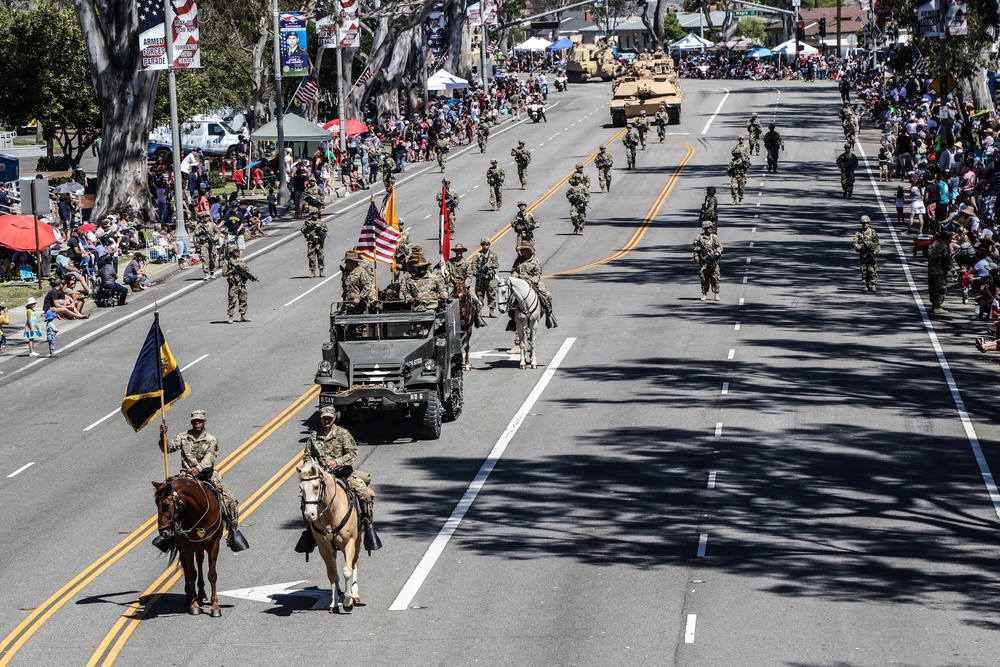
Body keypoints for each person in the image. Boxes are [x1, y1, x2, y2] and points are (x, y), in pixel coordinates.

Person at [160, 410, 244, 550]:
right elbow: (167, 448)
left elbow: (210, 458)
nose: (197, 423)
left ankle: (233, 531)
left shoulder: (211, 439)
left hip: (207, 475)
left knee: (231, 500)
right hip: (187, 476)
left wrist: (199, 468)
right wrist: (163, 435)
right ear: (191, 422)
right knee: (168, 499)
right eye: (194, 421)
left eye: (199, 421)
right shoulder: (183, 437)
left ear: (205, 422)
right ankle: (169, 533)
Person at [301, 405, 377, 545]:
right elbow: (307, 456)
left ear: (334, 418)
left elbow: (352, 453)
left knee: (364, 493)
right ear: (321, 419)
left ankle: (368, 524)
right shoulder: (314, 437)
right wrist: (310, 467)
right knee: (306, 498)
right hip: (323, 476)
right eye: (324, 418)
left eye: (329, 418)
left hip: (344, 474)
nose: (327, 421)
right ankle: (309, 531)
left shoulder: (343, 434)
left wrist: (337, 462)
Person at [511, 242, 556, 329]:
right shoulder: (518, 260)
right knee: (511, 299)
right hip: (520, 283)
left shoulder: (535, 261)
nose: (522, 251)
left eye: (525, 250)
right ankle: (512, 319)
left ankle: (548, 314)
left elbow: (537, 274)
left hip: (533, 282)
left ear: (529, 250)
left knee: (547, 296)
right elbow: (513, 271)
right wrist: (516, 277)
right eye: (522, 250)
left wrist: (531, 280)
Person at [693, 220, 723, 301]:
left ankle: (716, 293)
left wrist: (716, 255)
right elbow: (696, 246)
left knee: (715, 277)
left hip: (712, 260)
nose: (710, 229)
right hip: (704, 262)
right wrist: (699, 254)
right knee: (704, 277)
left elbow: (719, 247)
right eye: (708, 227)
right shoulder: (700, 237)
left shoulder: (714, 237)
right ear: (705, 229)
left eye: (711, 227)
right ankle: (704, 293)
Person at [927, 230, 954, 314]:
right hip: (939, 271)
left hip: (931, 270)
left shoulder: (933, 243)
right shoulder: (943, 246)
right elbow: (947, 259)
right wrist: (953, 270)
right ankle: (937, 307)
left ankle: (933, 305)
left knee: (932, 288)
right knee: (940, 288)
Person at [341, 250, 375, 314]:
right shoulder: (346, 272)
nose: (345, 262)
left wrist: (359, 298)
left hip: (360, 306)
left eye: (347, 261)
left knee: (361, 323)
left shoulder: (361, 271)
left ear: (353, 262)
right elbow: (345, 288)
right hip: (348, 305)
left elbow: (368, 286)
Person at [223, 245, 251, 323]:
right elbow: (224, 273)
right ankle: (231, 316)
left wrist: (244, 273)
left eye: (237, 251)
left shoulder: (241, 261)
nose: (237, 252)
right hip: (233, 285)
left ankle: (243, 315)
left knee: (243, 299)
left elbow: (246, 269)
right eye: (236, 251)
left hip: (241, 283)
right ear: (232, 252)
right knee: (232, 300)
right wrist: (232, 271)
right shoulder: (227, 262)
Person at [473, 237, 500, 317]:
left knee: (491, 294)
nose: (485, 246)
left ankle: (491, 311)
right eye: (483, 244)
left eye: (487, 244)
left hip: (490, 278)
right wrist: (476, 272)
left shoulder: (493, 254)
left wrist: (488, 266)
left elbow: (496, 264)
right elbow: (473, 265)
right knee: (479, 295)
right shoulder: (478, 255)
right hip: (480, 279)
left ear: (489, 245)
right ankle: (479, 310)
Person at [853, 215, 881, 292]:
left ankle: (873, 285)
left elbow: (877, 244)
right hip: (863, 255)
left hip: (871, 254)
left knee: (872, 269)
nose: (865, 224)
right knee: (864, 270)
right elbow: (855, 243)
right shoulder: (858, 234)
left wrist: (875, 252)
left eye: (866, 223)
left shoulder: (873, 232)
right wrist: (861, 248)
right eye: (863, 223)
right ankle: (866, 285)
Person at [300, 210, 327, 278]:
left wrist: (320, 228)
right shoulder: (307, 222)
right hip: (311, 242)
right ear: (311, 215)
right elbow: (302, 230)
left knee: (321, 256)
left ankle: (321, 271)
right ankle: (313, 272)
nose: (316, 214)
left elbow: (326, 229)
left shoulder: (320, 222)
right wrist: (307, 228)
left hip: (319, 242)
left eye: (316, 213)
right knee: (311, 257)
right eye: (314, 213)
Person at [194, 213, 220, 280]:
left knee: (212, 257)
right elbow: (196, 233)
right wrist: (200, 234)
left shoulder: (212, 225)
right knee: (205, 258)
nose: (205, 217)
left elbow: (218, 232)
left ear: (209, 217)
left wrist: (214, 238)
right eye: (204, 216)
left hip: (211, 243)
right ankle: (206, 273)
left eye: (207, 216)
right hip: (204, 244)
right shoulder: (200, 226)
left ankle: (212, 272)